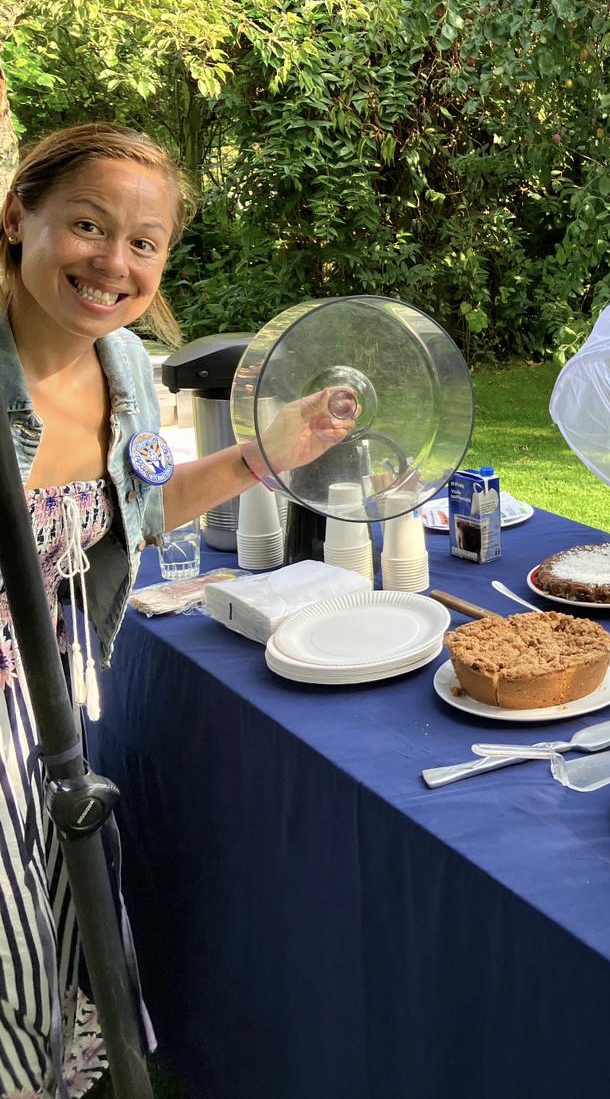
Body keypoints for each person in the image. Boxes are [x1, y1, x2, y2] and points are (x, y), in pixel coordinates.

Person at [0, 124, 351, 1095]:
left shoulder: (123, 370)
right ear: (18, 216)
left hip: (46, 709)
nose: (114, 262)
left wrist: (267, 454)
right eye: (87, 225)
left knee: (53, 927)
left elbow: (138, 512)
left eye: (143, 241)